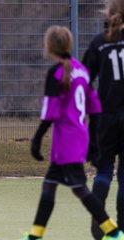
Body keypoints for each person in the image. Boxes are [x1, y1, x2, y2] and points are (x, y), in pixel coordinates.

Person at [21, 25, 124, 240]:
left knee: (81, 190)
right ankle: (35, 235)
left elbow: (50, 112)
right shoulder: (81, 70)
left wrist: (37, 139)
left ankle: (113, 232)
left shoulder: (56, 73)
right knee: (49, 186)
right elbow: (95, 108)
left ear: (48, 47)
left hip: (67, 142)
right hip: (76, 137)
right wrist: (93, 142)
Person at [82, 0, 124, 239]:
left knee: (105, 171)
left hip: (106, 118)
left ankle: (99, 224)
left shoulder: (100, 43)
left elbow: (84, 80)